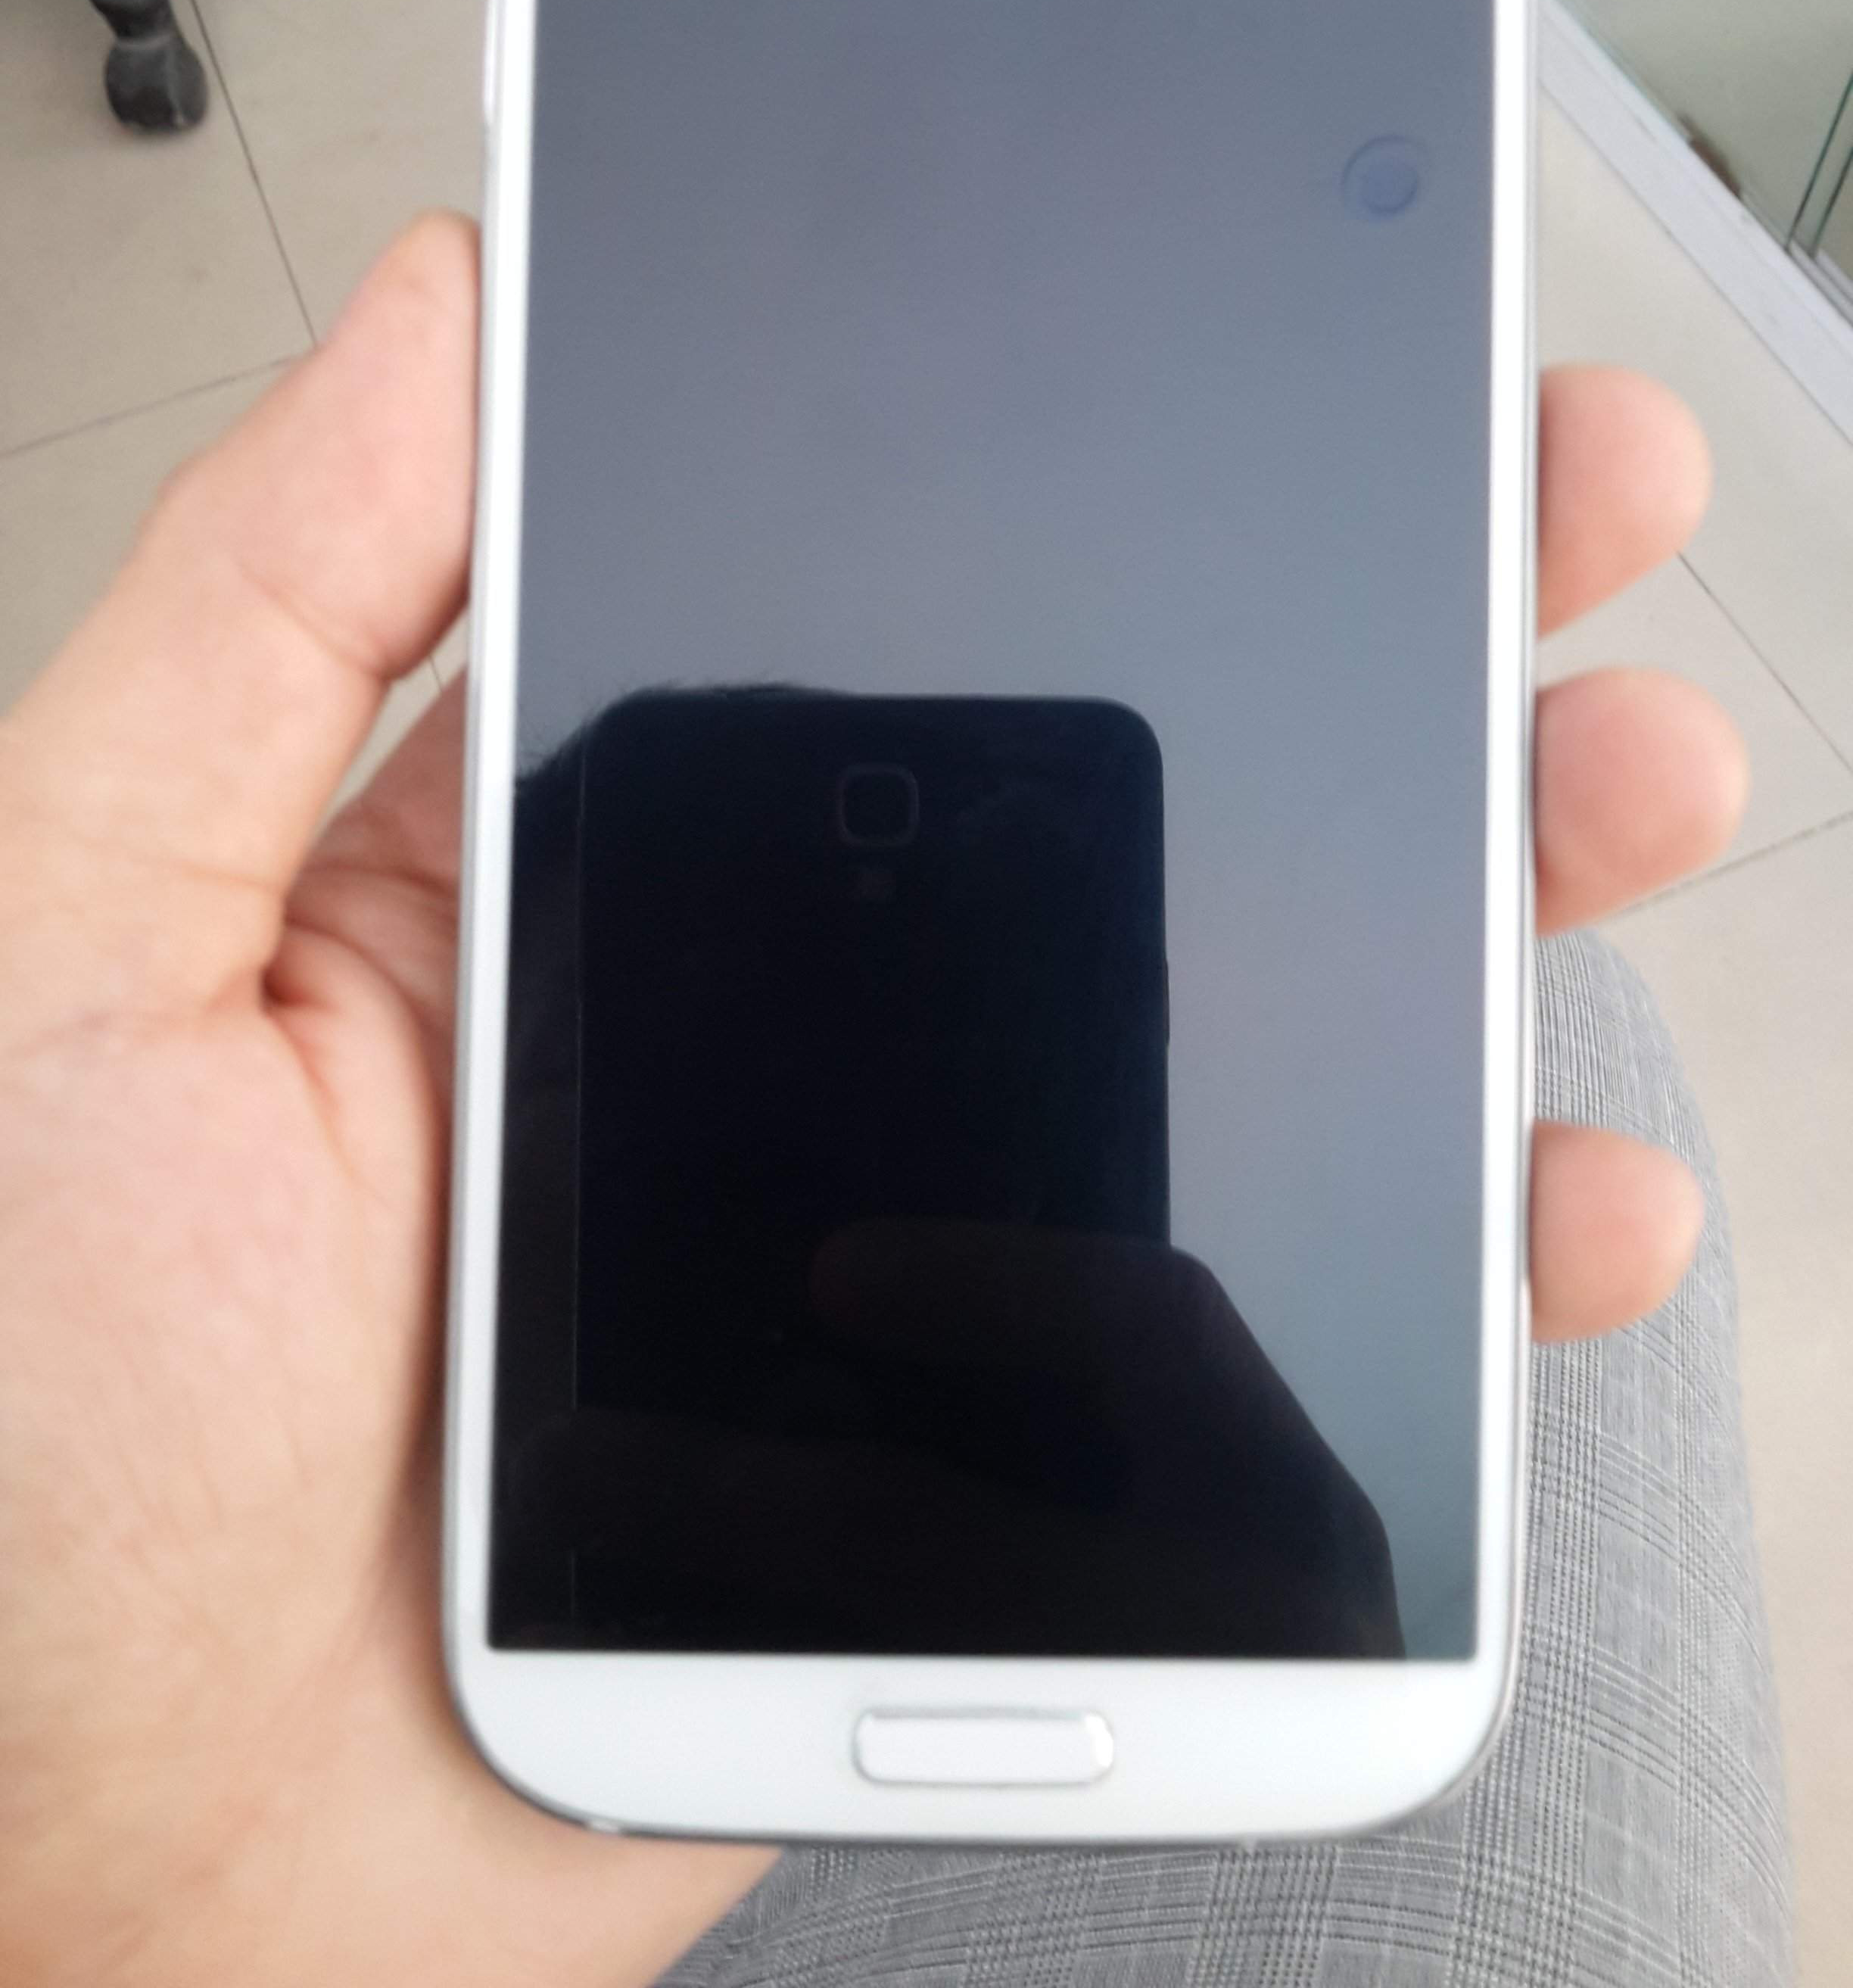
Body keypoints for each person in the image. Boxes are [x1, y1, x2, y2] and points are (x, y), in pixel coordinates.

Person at [0, 217, 1789, 1986]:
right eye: (702, 1112)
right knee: (1583, 1023)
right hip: (546, 1706)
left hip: (535, 1740)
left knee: (1576, 1037)